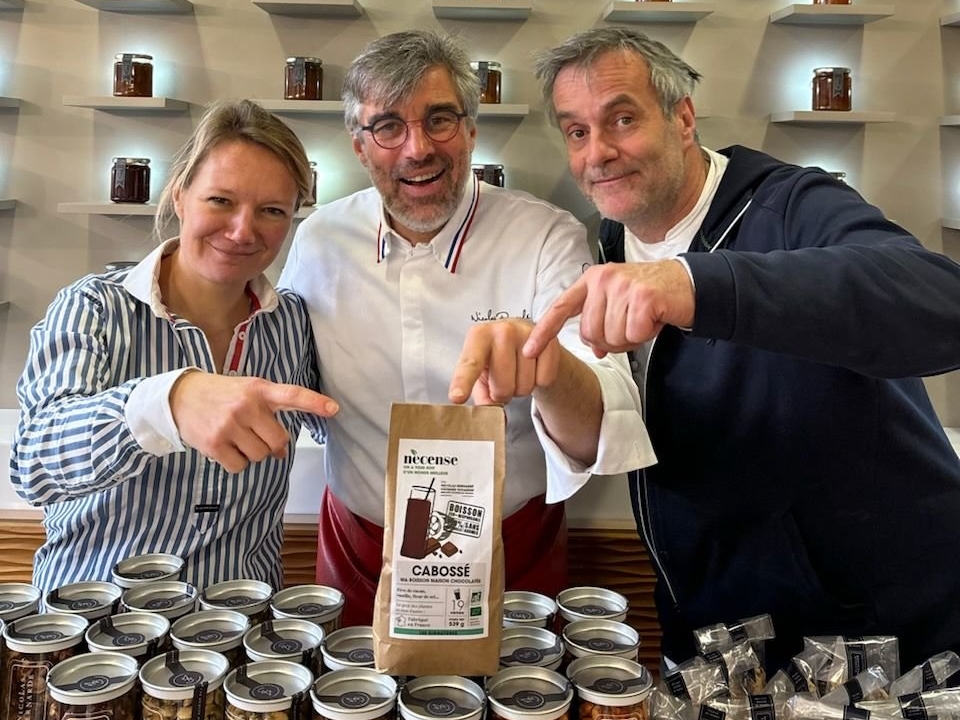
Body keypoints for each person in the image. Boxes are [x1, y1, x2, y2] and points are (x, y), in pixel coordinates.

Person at [524, 25, 960, 673]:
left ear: (682, 119)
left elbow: (941, 303)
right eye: (577, 131)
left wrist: (697, 282)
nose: (599, 153)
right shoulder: (603, 249)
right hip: (714, 645)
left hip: (876, 650)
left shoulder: (791, 206)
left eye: (622, 119)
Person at [279, 30, 655, 626]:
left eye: (439, 120)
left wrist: (550, 372)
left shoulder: (545, 237)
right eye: (387, 127)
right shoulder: (318, 240)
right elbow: (286, 381)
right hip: (359, 546)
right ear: (359, 145)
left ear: (472, 130)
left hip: (513, 545)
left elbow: (595, 433)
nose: (416, 149)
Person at [10, 99, 339, 595]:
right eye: (220, 201)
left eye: (272, 211)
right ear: (180, 195)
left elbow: (353, 419)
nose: (242, 230)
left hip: (238, 637)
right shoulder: (95, 307)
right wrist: (165, 403)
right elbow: (34, 463)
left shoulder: (291, 323)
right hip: (91, 628)